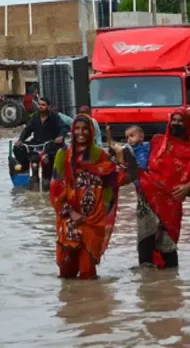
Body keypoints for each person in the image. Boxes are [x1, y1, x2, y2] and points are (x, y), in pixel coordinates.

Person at [49, 114, 131, 279]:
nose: (81, 132)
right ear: (72, 131)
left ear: (92, 131)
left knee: (87, 272)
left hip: (93, 221)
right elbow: (55, 190)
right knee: (66, 272)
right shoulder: (63, 155)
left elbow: (117, 180)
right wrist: (71, 213)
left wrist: (121, 159)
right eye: (77, 129)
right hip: (68, 219)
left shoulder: (100, 156)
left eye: (85, 129)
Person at [127, 109, 190, 269]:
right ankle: (148, 287)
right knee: (145, 243)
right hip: (147, 199)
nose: (176, 123)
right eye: (174, 120)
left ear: (187, 125)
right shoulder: (157, 141)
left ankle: (171, 286)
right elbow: (137, 160)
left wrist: (189, 187)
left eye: (180, 121)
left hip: (171, 206)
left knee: (168, 247)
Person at [14, 97, 68, 181]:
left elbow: (64, 127)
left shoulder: (54, 117)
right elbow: (27, 130)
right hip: (37, 143)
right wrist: (20, 140)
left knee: (56, 154)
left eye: (43, 105)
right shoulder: (34, 117)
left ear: (48, 107)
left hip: (51, 144)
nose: (40, 106)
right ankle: (25, 168)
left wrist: (60, 136)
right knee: (17, 148)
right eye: (39, 104)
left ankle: (53, 176)